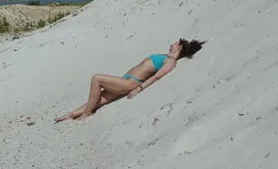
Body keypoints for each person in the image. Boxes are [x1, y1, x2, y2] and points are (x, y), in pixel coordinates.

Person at [54, 38, 206, 122]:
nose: (170, 44)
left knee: (96, 79)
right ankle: (72, 114)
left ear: (178, 47)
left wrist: (139, 89)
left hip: (131, 83)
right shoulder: (167, 57)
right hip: (126, 79)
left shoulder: (171, 62)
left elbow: (157, 76)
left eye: (173, 43)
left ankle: (87, 114)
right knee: (99, 99)